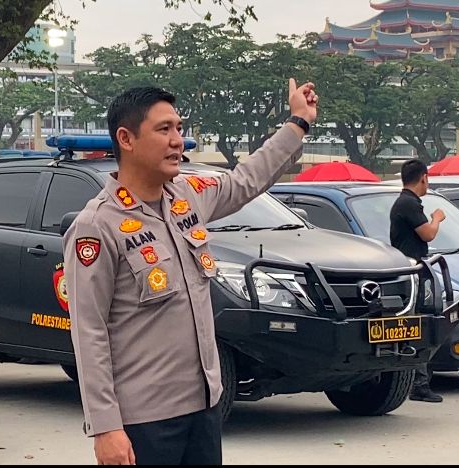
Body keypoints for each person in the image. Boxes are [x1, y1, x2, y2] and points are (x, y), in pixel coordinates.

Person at [63, 79, 317, 465]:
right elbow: (89, 332)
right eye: (164, 130)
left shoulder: (188, 196)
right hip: (143, 421)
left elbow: (246, 180)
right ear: (126, 139)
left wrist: (297, 122)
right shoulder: (96, 226)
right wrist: (105, 427)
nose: (177, 140)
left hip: (204, 407)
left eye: (179, 129)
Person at [389, 159, 446, 404]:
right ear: (423, 177)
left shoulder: (406, 202)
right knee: (421, 323)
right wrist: (437, 218)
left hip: (413, 269)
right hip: (413, 271)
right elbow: (428, 233)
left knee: (422, 322)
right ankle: (418, 382)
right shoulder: (408, 204)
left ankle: (420, 378)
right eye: (427, 178)